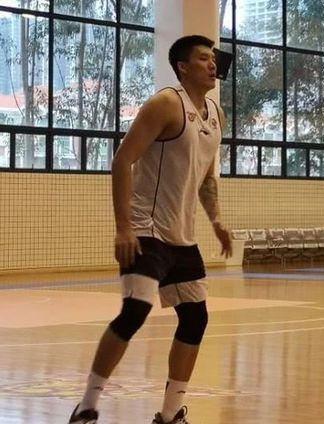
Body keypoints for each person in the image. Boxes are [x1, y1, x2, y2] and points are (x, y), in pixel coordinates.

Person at [68, 34, 232, 424]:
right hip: (146, 229)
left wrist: (216, 221)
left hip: (182, 236)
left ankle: (170, 414)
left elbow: (206, 178)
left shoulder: (215, 114)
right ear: (183, 67)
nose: (213, 64)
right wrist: (123, 227)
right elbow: (121, 161)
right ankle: (87, 406)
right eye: (203, 58)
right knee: (135, 311)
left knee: (196, 319)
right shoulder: (165, 104)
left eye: (213, 58)